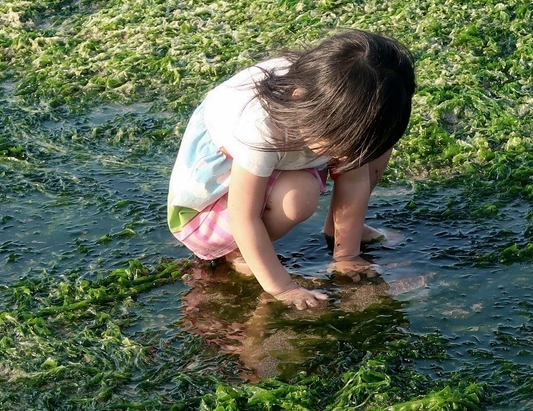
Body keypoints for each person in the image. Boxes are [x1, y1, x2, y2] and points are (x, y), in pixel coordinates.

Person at [166, 29, 414, 309]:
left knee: (375, 151)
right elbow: (243, 215)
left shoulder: (334, 101)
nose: (347, 156)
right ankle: (238, 253)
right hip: (219, 193)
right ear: (306, 103)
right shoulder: (258, 125)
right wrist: (283, 288)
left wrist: (347, 256)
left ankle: (339, 232)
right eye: (340, 142)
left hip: (295, 144)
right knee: (298, 197)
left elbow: (355, 178)